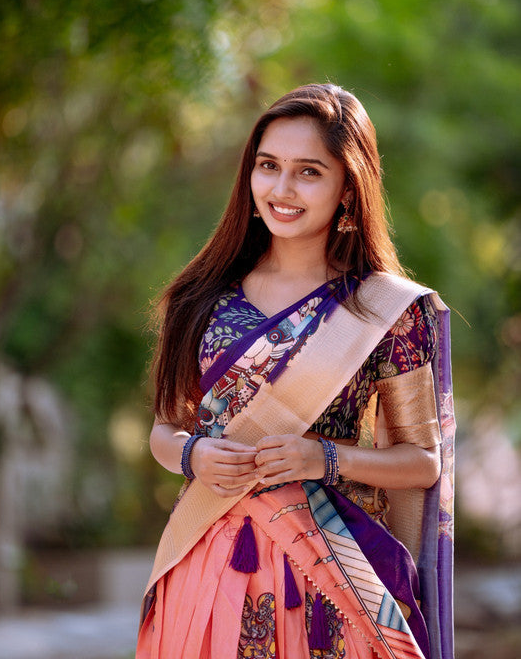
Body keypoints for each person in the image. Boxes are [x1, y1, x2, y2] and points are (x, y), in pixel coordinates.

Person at [136, 84, 455, 659]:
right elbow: (164, 429)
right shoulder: (199, 297)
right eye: (268, 166)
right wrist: (192, 456)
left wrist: (324, 458)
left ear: (348, 188)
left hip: (329, 577)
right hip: (208, 561)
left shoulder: (384, 310)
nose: (281, 190)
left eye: (308, 172)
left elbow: (423, 463)